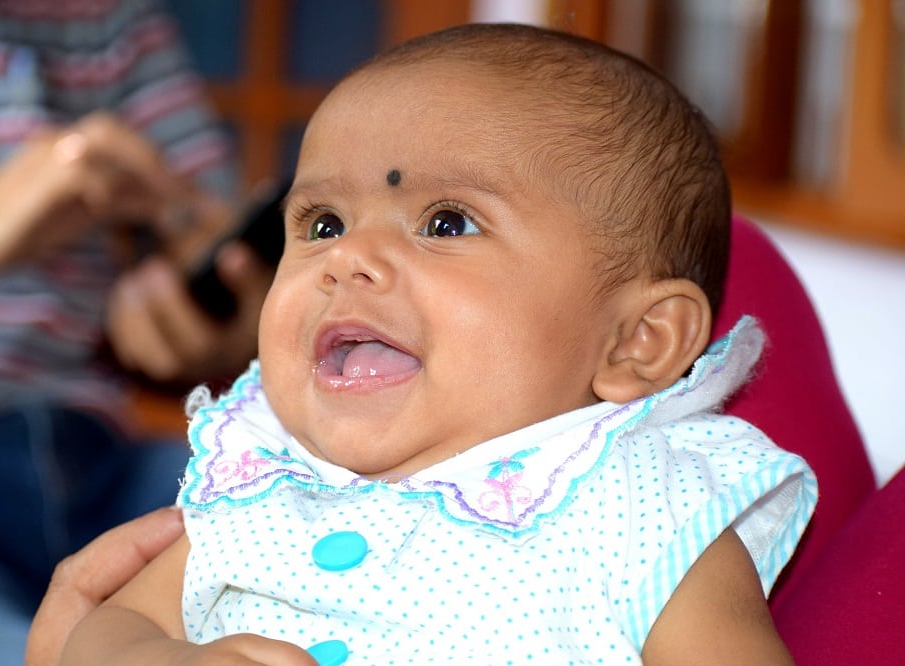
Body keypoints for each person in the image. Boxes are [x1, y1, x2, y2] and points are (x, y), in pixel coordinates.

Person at [60, 23, 818, 664]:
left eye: (445, 223)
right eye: (322, 224)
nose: (345, 257)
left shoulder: (642, 504)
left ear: (637, 342)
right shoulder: (267, 475)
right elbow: (112, 625)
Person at [0, 2, 275, 664]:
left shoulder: (115, 21)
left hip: (97, 447)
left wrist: (208, 294)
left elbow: (214, 264)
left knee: (302, 505)